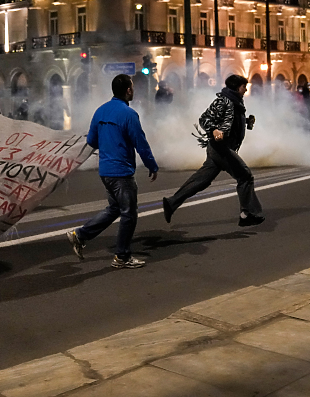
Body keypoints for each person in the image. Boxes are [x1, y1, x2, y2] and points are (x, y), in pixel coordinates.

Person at [66, 74, 158, 268]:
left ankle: (80, 234)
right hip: (121, 172)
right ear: (128, 90)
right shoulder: (128, 114)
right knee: (129, 214)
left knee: (114, 209)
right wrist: (152, 165)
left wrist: (109, 142)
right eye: (132, 87)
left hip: (105, 170)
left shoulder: (100, 111)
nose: (133, 90)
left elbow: (91, 141)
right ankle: (122, 256)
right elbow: (140, 143)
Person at [162, 74, 265, 227]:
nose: (246, 89)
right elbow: (204, 119)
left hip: (221, 149)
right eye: (244, 87)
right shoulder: (224, 100)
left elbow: (231, 124)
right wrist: (214, 130)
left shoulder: (236, 102)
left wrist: (246, 122)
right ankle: (247, 214)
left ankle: (171, 203)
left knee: (201, 180)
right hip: (220, 149)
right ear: (237, 87)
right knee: (245, 176)